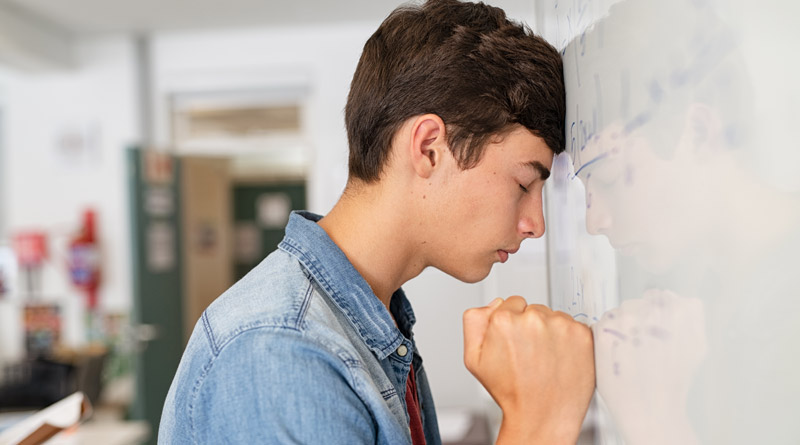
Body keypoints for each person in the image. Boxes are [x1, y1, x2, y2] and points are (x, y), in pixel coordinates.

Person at [158, 1, 595, 444]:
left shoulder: (370, 321)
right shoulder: (285, 351)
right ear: (429, 148)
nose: (536, 224)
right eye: (524, 183)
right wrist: (538, 424)